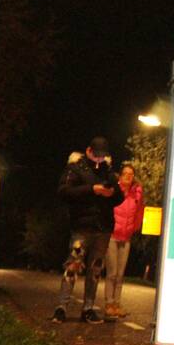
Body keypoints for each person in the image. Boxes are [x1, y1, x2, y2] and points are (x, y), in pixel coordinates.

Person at [51, 136, 124, 324]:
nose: (99, 160)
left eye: (103, 156)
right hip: (81, 227)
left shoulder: (108, 172)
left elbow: (120, 198)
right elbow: (63, 192)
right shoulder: (75, 168)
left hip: (103, 228)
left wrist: (111, 192)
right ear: (89, 151)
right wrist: (92, 189)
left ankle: (88, 309)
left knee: (95, 269)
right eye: (96, 155)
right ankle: (61, 307)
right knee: (73, 265)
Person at [103, 163, 144, 321]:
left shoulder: (136, 194)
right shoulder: (115, 190)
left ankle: (117, 304)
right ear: (120, 176)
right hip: (112, 237)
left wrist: (134, 228)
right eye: (125, 173)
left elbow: (139, 212)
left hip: (126, 238)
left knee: (120, 275)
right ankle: (109, 304)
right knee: (112, 273)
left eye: (131, 174)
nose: (128, 176)